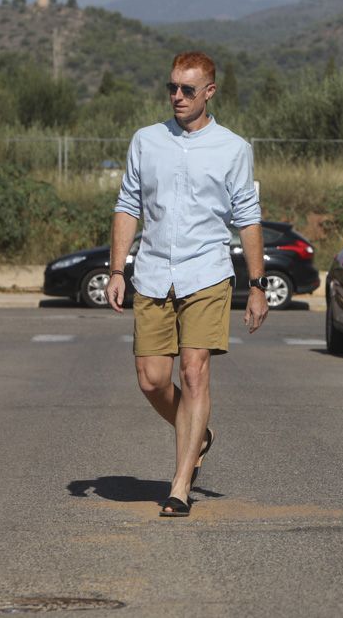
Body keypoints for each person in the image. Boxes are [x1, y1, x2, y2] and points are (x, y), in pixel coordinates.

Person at [105, 51, 269, 518]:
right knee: (152, 379)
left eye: (187, 89)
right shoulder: (147, 141)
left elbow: (248, 217)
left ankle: (180, 484)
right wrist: (118, 269)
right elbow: (127, 205)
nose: (177, 96)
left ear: (209, 92)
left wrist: (257, 285)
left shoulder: (233, 148)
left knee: (194, 371)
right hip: (154, 272)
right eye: (172, 88)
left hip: (207, 272)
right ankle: (201, 434)